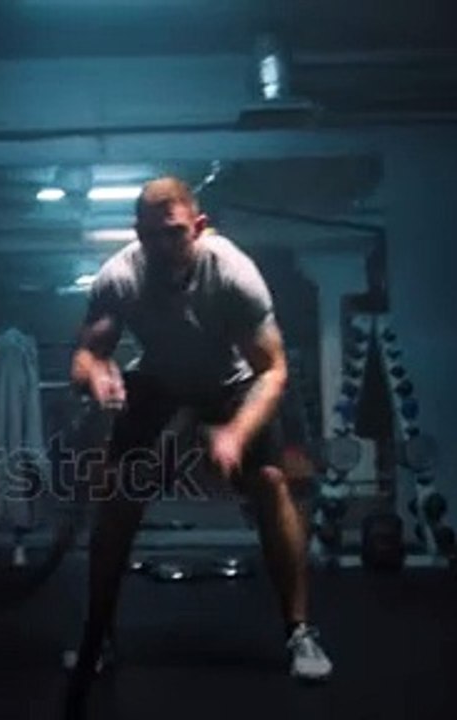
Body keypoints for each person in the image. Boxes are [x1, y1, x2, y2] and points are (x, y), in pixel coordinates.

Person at [64, 176, 333, 701]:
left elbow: (273, 370)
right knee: (117, 496)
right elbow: (86, 354)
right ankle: (100, 639)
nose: (163, 247)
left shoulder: (232, 274)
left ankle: (299, 632)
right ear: (137, 233)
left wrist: (234, 434)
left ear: (199, 228)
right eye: (150, 235)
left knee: (271, 482)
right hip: (158, 378)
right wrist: (96, 375)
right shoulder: (120, 276)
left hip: (230, 383)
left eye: (174, 233)